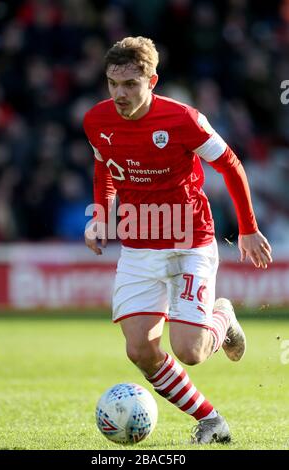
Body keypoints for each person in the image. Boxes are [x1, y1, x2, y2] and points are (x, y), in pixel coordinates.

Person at [83, 37, 273, 444]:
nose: (120, 94)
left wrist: (247, 228)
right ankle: (211, 420)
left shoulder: (184, 119)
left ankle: (222, 316)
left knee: (191, 351)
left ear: (152, 81)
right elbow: (105, 168)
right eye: (113, 84)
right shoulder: (97, 121)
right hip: (138, 247)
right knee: (140, 352)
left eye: (130, 84)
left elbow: (230, 164)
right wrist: (101, 215)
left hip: (190, 242)